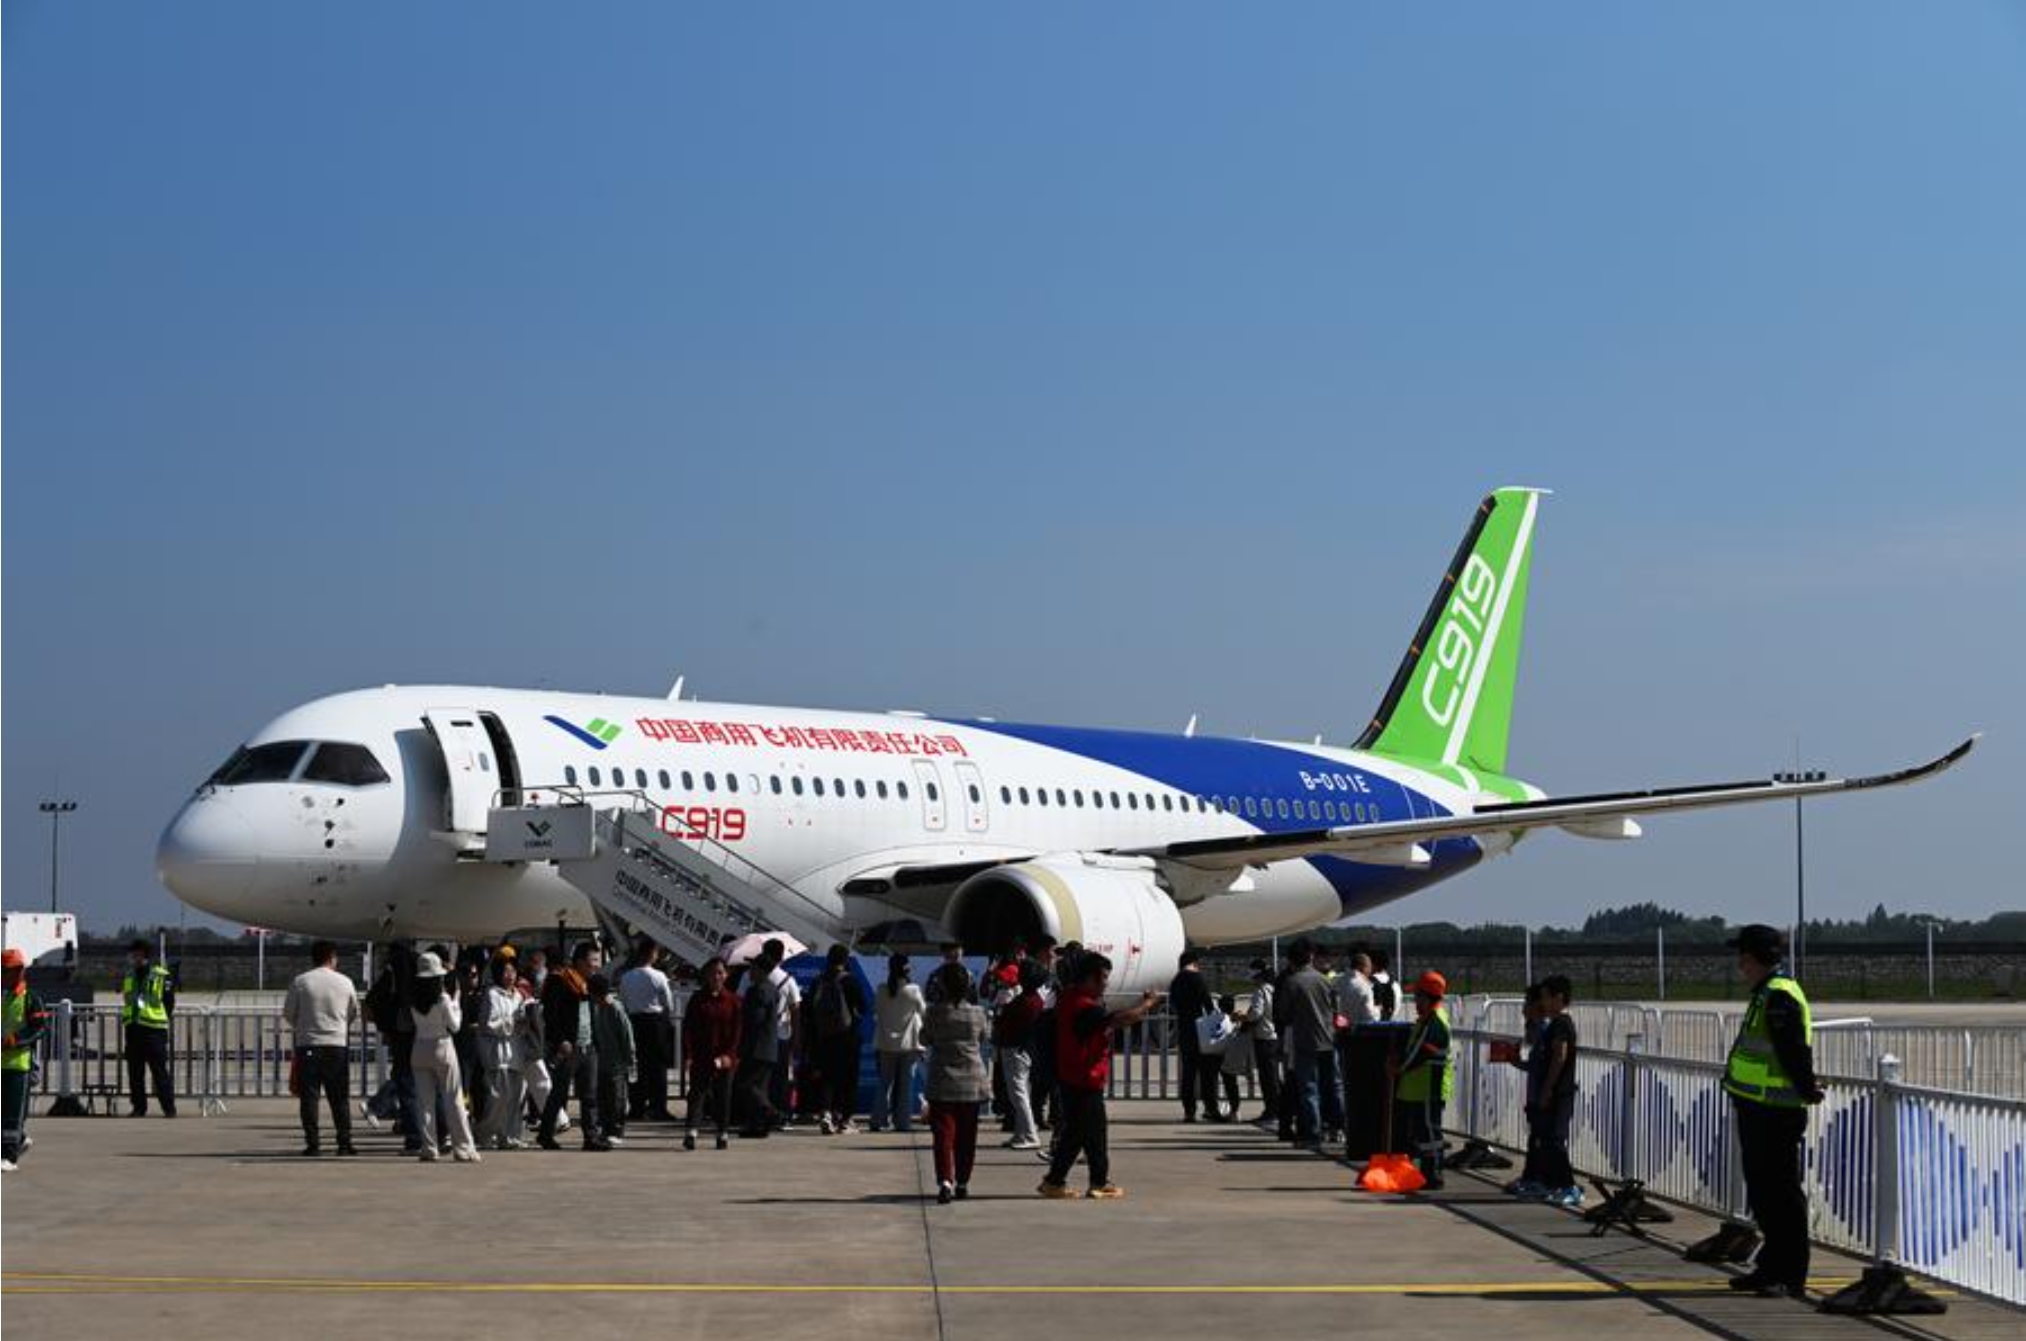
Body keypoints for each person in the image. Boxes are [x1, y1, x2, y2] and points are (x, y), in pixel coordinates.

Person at [1722, 924, 1823, 1299]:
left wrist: (1807, 1089)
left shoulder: (1779, 995)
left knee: (1781, 1195)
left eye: (1743, 957)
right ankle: (1770, 1267)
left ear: (1754, 958)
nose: (1740, 965)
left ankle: (1790, 1273)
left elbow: (1794, 1050)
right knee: (1764, 1194)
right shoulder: (1767, 992)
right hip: (1758, 1107)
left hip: (1776, 1111)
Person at [1039, 953, 1160, 1200]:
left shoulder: (1068, 999)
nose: (1106, 983)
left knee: (1078, 1133)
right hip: (1084, 1078)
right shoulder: (1084, 1007)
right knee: (1093, 1133)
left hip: (1072, 1076)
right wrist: (1147, 1004)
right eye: (1103, 978)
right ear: (1089, 979)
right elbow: (1121, 1019)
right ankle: (1096, 1182)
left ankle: (1057, 1180)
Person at [282, 940, 359, 1157]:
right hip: (336, 1045)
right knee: (339, 1097)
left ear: (313, 958)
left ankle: (313, 1143)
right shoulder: (345, 982)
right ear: (332, 957)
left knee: (309, 1098)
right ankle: (344, 1143)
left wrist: (304, 1026)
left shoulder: (301, 981)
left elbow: (288, 1013)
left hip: (308, 1045)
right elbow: (353, 1011)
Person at [922, 962, 991, 1203]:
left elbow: (925, 1038)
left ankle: (945, 1181)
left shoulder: (934, 1013)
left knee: (943, 1134)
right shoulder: (978, 1014)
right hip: (972, 1081)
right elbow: (985, 1038)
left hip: (942, 1081)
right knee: (967, 1135)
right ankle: (963, 1181)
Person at [408, 952, 480, 1163]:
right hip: (442, 1045)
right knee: (454, 1099)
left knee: (425, 1102)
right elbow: (455, 1026)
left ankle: (429, 1148)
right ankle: (463, 1148)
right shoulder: (443, 998)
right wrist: (456, 1001)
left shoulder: (414, 999)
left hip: (420, 1047)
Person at [538, 940, 609, 1151]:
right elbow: (551, 1015)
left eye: (598, 961)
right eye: (592, 961)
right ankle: (545, 1134)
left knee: (590, 1095)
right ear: (578, 962)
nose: (596, 965)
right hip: (568, 1047)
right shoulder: (560, 981)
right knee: (559, 1093)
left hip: (588, 1046)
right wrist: (561, 1040)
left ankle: (591, 1137)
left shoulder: (590, 984)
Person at [1390, 971, 1453, 1189]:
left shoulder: (1434, 1022)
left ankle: (1433, 1172)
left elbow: (1421, 1052)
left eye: (1417, 996)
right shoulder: (1427, 1020)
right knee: (1424, 1131)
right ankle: (1427, 1170)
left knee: (1429, 1131)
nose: (1415, 1001)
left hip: (1428, 1085)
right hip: (1419, 1085)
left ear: (1427, 997)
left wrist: (1398, 1068)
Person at [1282, 940, 1341, 1148]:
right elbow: (1336, 1010)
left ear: (1291, 960)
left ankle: (1313, 1135)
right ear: (1310, 957)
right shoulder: (1326, 981)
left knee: (1309, 1089)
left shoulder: (1292, 982)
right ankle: (1337, 1128)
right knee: (1333, 1086)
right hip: (1329, 1040)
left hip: (1305, 1041)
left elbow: (1284, 1014)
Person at [1530, 975, 1580, 1206]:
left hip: (1560, 1092)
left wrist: (1548, 1088)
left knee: (1556, 1141)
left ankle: (1570, 1186)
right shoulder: (1553, 1024)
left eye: (1545, 998)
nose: (1542, 1003)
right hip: (1553, 1091)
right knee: (1549, 1140)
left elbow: (1559, 1057)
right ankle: (1555, 1183)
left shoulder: (1561, 1024)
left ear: (1558, 998)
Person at [808, 945, 868, 1135]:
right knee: (849, 1078)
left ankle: (825, 1113)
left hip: (824, 1036)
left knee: (827, 1076)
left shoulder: (819, 981)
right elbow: (863, 1007)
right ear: (845, 959)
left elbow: (809, 1009)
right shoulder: (850, 981)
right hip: (847, 1036)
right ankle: (844, 1120)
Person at [682, 956, 742, 1150]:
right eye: (713, 972)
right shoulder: (697, 999)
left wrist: (729, 1056)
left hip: (725, 1057)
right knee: (697, 1094)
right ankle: (691, 1131)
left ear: (726, 975)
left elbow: (738, 1032)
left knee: (723, 1096)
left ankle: (722, 1133)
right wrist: (688, 1056)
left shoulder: (734, 1001)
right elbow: (688, 1029)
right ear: (706, 975)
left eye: (720, 972)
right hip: (702, 1056)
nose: (716, 976)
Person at [620, 939, 679, 1123]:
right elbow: (667, 1003)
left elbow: (623, 1000)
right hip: (655, 1023)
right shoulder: (659, 976)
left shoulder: (626, 977)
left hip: (634, 1021)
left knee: (636, 1065)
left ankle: (636, 1107)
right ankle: (658, 1107)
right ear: (652, 954)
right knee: (658, 1068)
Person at [3, 947, 51, 1172]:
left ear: (20, 971)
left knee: (13, 1113)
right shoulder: (3, 997)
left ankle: (9, 1157)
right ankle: (19, 1141)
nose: (5, 975)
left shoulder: (31, 998)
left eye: (9, 970)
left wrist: (16, 1040)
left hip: (19, 1065)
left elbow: (39, 1028)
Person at [475, 957, 530, 1150]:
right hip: (497, 1053)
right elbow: (489, 1024)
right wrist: (512, 1022)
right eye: (506, 972)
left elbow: (523, 1024)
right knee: (497, 1097)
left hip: (516, 1051)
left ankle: (510, 1136)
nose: (510, 976)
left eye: (513, 971)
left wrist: (525, 1021)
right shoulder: (492, 994)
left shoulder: (518, 996)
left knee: (516, 1098)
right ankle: (485, 1134)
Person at [1167, 947, 1224, 1123]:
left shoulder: (1176, 981)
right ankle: (1211, 1108)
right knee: (1207, 1072)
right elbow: (1207, 1003)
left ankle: (1189, 1111)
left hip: (1184, 1029)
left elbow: (1174, 1002)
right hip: (1201, 1030)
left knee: (1188, 1073)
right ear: (1194, 963)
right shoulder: (1196, 978)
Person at [871, 954, 926, 1133]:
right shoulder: (914, 990)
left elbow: (877, 1011)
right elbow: (923, 1011)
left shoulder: (881, 989)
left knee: (884, 1083)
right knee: (905, 1085)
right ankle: (902, 1122)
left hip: (886, 1044)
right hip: (909, 1045)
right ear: (907, 970)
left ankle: (878, 1120)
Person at [121, 938, 176, 1118]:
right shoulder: (129, 976)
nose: (132, 957)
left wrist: (158, 1019)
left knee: (159, 1072)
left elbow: (168, 1002)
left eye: (135, 954)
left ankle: (169, 1108)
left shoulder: (160, 975)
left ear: (143, 954)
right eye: (132, 954)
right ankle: (139, 1107)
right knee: (135, 1073)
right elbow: (129, 1000)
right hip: (134, 1029)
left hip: (154, 1030)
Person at [995, 960, 1046, 1149]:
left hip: (1016, 1048)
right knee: (1021, 1090)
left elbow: (1008, 1020)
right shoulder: (1034, 999)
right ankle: (1020, 1132)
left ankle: (1030, 1135)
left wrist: (1001, 1015)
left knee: (1018, 1092)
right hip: (1022, 1048)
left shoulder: (1026, 1001)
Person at [736, 945, 785, 1137]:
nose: (750, 972)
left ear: (761, 970)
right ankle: (757, 1126)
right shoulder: (772, 989)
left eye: (753, 968)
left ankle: (770, 1112)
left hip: (756, 1047)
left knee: (746, 1084)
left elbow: (753, 1020)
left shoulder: (757, 991)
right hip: (769, 1047)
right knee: (760, 1088)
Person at [1335, 952, 1380, 1142]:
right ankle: (1358, 1126)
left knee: (1341, 1083)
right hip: (1360, 1040)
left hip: (1339, 1036)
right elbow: (1371, 1018)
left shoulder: (1337, 982)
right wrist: (1378, 1009)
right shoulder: (1363, 986)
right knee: (1360, 1086)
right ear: (1364, 967)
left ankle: (1339, 1125)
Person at [588, 974, 635, 1144]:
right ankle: (606, 1129)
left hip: (617, 1060)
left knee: (617, 1097)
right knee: (603, 1096)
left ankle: (616, 1130)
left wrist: (630, 1059)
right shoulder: (597, 1008)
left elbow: (626, 1035)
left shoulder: (615, 1007)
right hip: (602, 1059)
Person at [764, 939, 802, 1126]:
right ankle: (780, 1114)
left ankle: (761, 1113)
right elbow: (795, 1010)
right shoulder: (788, 980)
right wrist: (796, 1038)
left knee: (761, 1078)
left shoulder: (751, 976)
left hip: (758, 1037)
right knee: (780, 1079)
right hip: (781, 1036)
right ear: (781, 956)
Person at [1240, 960, 1281, 1127]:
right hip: (1275, 1036)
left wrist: (1242, 1017)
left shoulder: (1260, 991)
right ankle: (1277, 1110)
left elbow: (1256, 1013)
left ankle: (1271, 1112)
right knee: (1274, 1077)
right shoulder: (1275, 989)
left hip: (1263, 1038)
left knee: (1267, 1078)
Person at [1371, 949, 1399, 1021]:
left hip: (1371, 1028)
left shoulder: (1367, 983)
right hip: (1390, 1027)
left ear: (1372, 964)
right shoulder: (1396, 985)